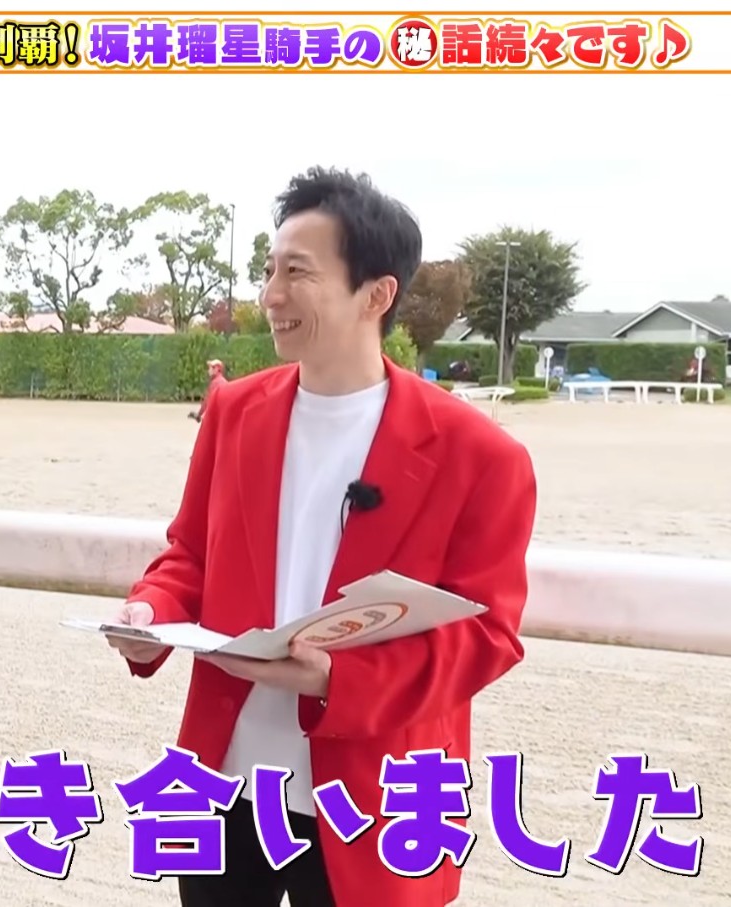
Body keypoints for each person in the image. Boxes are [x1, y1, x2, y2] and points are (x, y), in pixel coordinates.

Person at [107, 167, 536, 907]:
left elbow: (487, 635)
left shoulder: (480, 456)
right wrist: (152, 612)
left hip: (377, 804)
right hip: (226, 784)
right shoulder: (235, 412)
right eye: (269, 270)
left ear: (376, 294)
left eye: (297, 273)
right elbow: (191, 555)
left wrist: (341, 679)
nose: (271, 295)